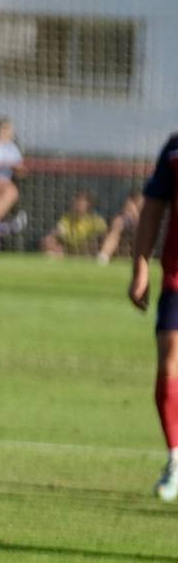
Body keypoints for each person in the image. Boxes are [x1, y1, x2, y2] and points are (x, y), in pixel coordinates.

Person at [127, 135, 178, 501]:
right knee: (169, 358)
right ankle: (176, 458)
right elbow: (153, 209)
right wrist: (140, 268)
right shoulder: (174, 149)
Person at [41, 191, 107, 257]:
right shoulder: (67, 218)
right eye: (76, 201)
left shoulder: (95, 220)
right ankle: (58, 256)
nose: (77, 204)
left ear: (89, 205)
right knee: (48, 240)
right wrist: (53, 235)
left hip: (87, 249)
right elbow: (58, 230)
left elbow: (104, 236)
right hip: (69, 248)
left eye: (81, 202)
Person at [98, 189, 143, 265]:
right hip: (127, 225)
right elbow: (125, 216)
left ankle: (142, 259)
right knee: (118, 223)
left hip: (141, 229)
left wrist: (136, 215)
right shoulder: (126, 211)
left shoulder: (149, 205)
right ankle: (103, 257)